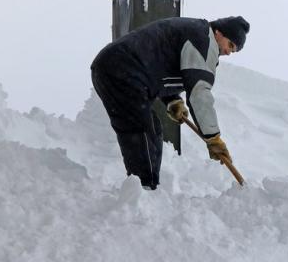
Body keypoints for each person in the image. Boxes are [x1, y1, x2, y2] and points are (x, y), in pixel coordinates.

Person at [90, 15, 250, 189]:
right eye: (230, 45)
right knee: (141, 133)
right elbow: (199, 93)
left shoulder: (196, 33)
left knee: (152, 130)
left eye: (233, 50)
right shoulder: (203, 41)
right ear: (219, 33)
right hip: (121, 69)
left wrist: (173, 100)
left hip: (118, 69)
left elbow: (159, 65)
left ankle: (147, 189)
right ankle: (143, 192)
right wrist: (214, 138)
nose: (228, 52)